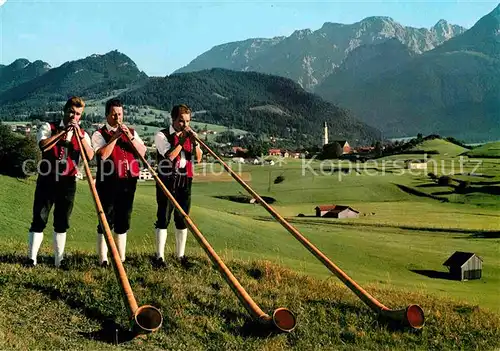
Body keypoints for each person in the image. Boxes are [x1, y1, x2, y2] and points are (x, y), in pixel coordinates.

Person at [27, 96, 94, 268]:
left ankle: (59, 260)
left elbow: (90, 155)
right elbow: (43, 146)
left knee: (62, 221)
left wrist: (78, 134)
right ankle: (31, 259)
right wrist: (63, 133)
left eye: (78, 114)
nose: (74, 116)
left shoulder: (83, 134)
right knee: (40, 218)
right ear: (64, 111)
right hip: (47, 178)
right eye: (71, 112)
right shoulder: (48, 127)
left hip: (68, 181)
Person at [91, 98, 146, 266]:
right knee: (105, 219)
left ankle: (121, 258)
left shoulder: (131, 131)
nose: (118, 118)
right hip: (108, 181)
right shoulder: (99, 134)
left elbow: (142, 152)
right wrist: (115, 137)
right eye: (114, 115)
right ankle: (103, 259)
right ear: (107, 115)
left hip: (128, 181)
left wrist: (129, 136)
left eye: (120, 114)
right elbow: (102, 155)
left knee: (124, 219)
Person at [154, 104, 202, 266]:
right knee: (163, 217)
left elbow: (199, 157)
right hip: (167, 179)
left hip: (185, 179)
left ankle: (180, 256)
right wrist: (182, 140)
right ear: (173, 119)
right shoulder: (162, 135)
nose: (185, 125)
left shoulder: (189, 135)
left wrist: (195, 143)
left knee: (183, 218)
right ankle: (159, 257)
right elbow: (170, 156)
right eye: (181, 121)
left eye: (188, 121)